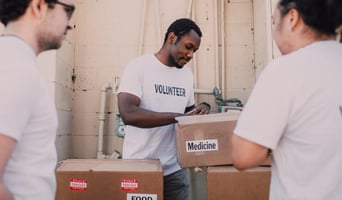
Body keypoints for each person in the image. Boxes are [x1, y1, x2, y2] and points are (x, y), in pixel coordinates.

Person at [231, 0, 342, 199]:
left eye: (275, 22)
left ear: (292, 18)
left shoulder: (285, 70)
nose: (274, 32)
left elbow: (243, 155)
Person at [117, 18, 210, 200]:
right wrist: (177, 117)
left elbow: (189, 114)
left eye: (195, 51)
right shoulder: (139, 67)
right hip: (139, 167)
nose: (191, 55)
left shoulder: (186, 75)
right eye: (188, 47)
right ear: (172, 37)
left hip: (174, 171)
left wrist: (203, 107)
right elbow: (129, 114)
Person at [0, 0, 75, 199]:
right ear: (39, 6)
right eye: (68, 11)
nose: (70, 24)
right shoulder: (14, 69)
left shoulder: (12, 62)